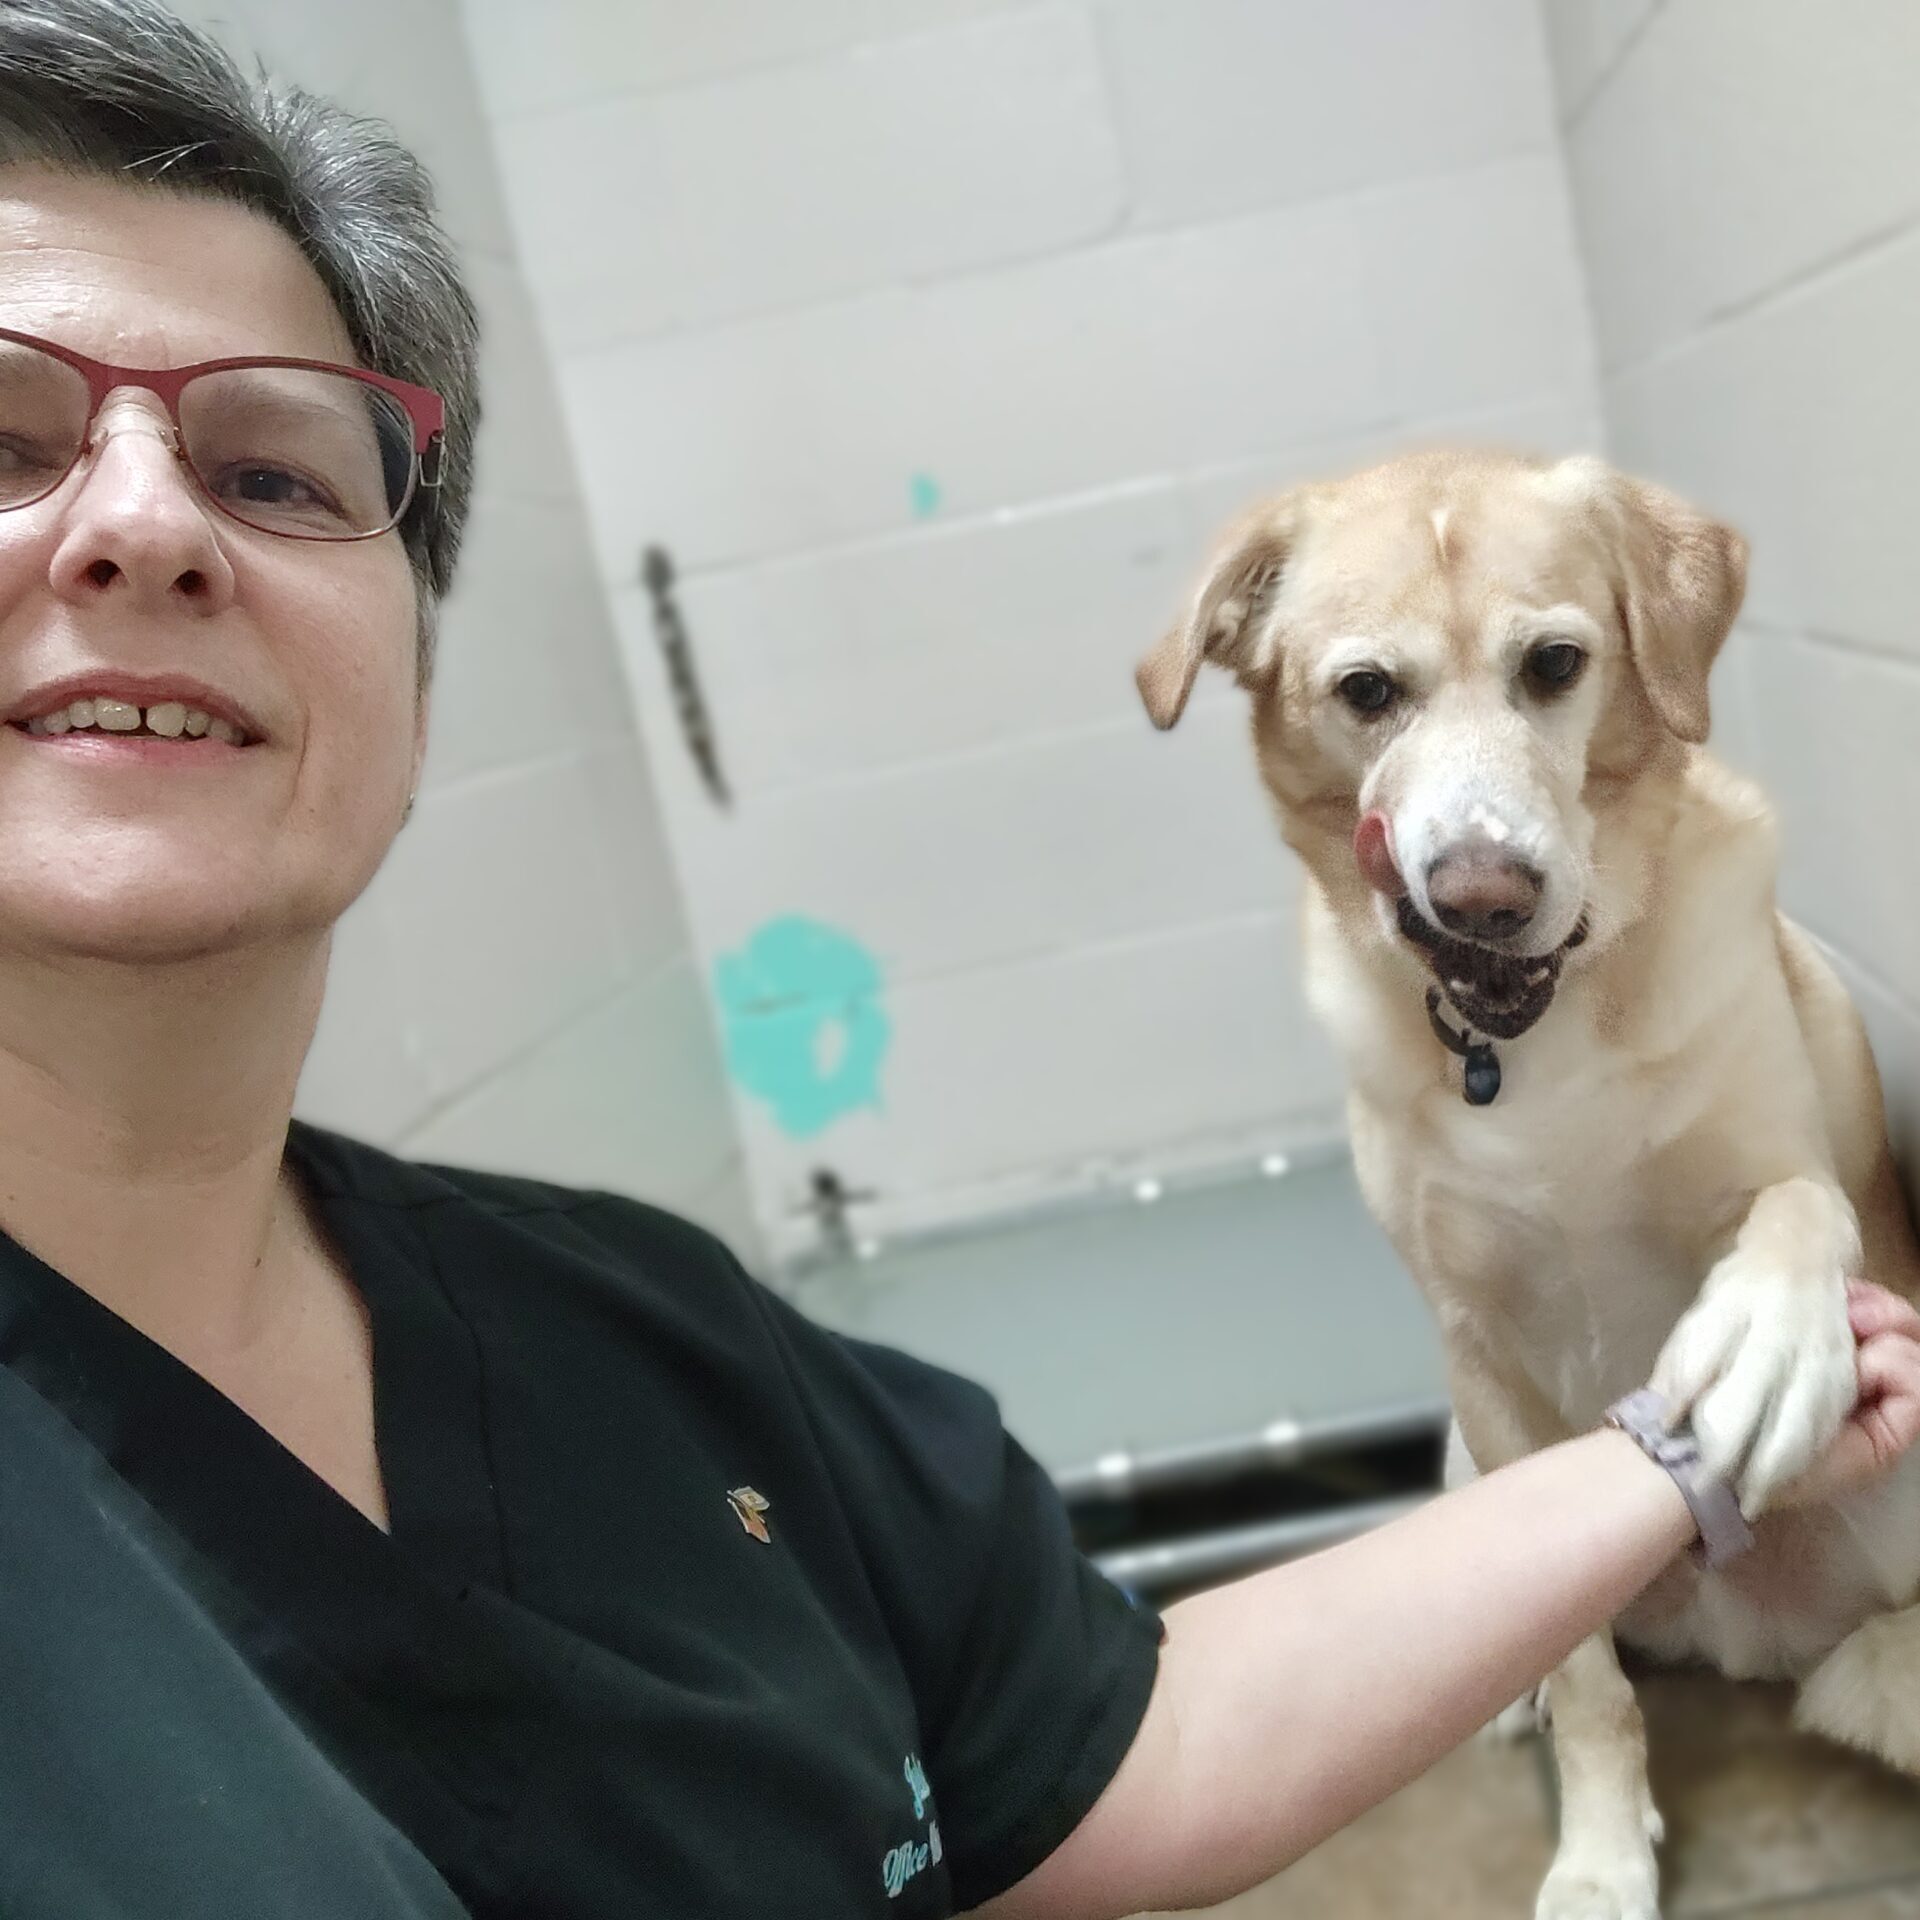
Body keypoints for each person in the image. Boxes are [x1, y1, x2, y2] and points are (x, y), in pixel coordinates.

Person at [1, 3, 1917, 1916]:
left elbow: (1127, 1751)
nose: (148, 528)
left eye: (275, 473)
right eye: (8, 440)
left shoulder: (662, 1337)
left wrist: (1684, 1458)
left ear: (411, 641)